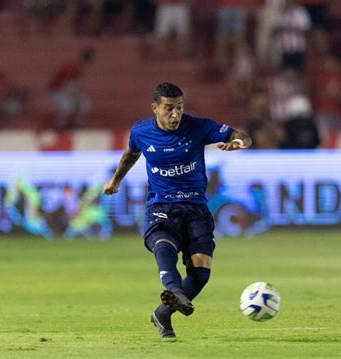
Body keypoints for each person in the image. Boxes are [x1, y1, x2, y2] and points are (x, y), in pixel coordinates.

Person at [102, 83, 252, 339]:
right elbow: (130, 154)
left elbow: (240, 135)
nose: (175, 115)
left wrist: (239, 142)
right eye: (169, 108)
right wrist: (116, 180)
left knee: (201, 273)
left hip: (195, 208)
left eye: (179, 108)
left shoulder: (197, 127)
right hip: (161, 206)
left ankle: (163, 312)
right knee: (163, 243)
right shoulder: (141, 131)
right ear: (155, 108)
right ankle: (173, 289)